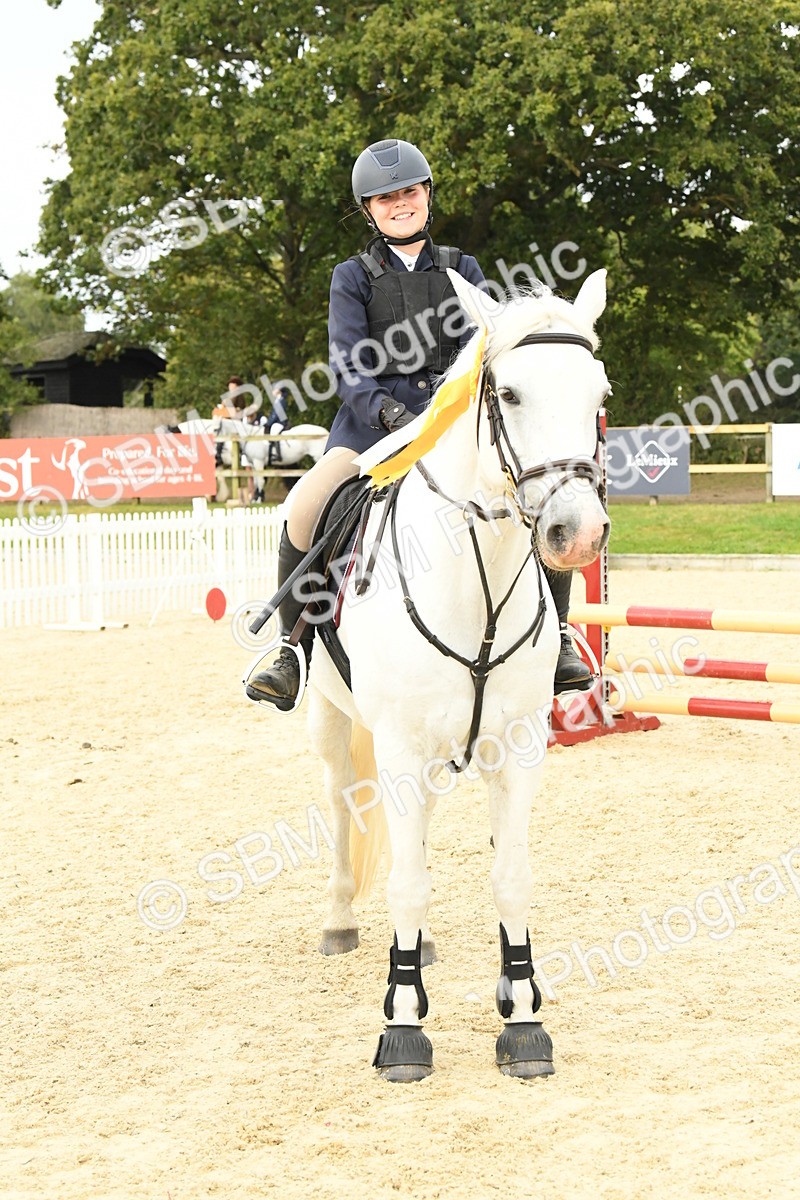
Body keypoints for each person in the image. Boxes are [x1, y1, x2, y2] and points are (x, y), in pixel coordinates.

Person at [246, 138, 591, 708]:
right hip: (371, 427)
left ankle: (557, 636)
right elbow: (349, 364)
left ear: (427, 196)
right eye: (385, 199)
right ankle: (293, 648)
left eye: (408, 192)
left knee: (533, 493)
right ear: (369, 210)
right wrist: (389, 412)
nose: (399, 204)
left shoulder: (464, 269)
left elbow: (484, 350)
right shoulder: (351, 277)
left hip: (454, 425)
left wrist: (448, 415)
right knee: (305, 506)